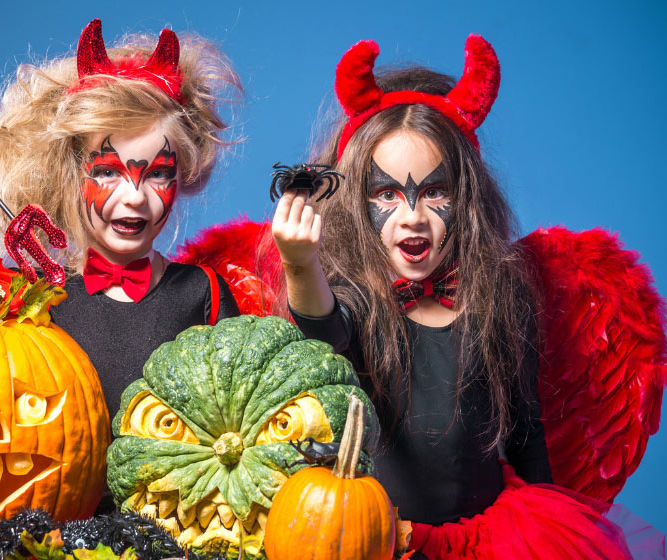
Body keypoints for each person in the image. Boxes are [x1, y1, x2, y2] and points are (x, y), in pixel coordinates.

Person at [271, 36, 634, 559]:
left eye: (434, 191)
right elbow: (323, 333)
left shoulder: (502, 295)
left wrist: (554, 535)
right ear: (355, 199)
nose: (412, 215)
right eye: (386, 193)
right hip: (374, 540)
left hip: (490, 540)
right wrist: (301, 265)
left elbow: (527, 434)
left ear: (466, 196)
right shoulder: (352, 294)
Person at [0, 18, 241, 422]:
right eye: (107, 173)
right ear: (70, 176)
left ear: (181, 175)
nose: (134, 197)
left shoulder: (202, 292)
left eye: (157, 174)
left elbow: (242, 405)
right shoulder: (38, 293)